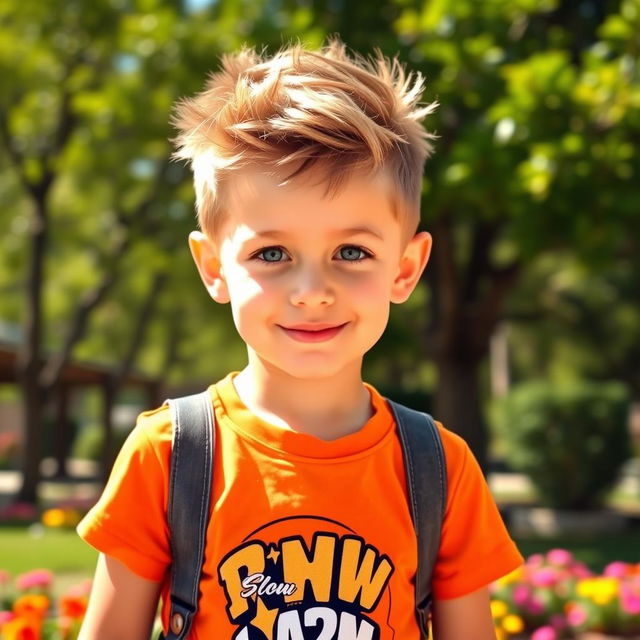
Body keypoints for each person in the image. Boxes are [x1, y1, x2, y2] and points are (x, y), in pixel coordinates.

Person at [77, 38, 523, 640]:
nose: (312, 290)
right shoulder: (172, 455)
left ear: (405, 269)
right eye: (272, 253)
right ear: (213, 267)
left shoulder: (439, 470)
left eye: (351, 252)